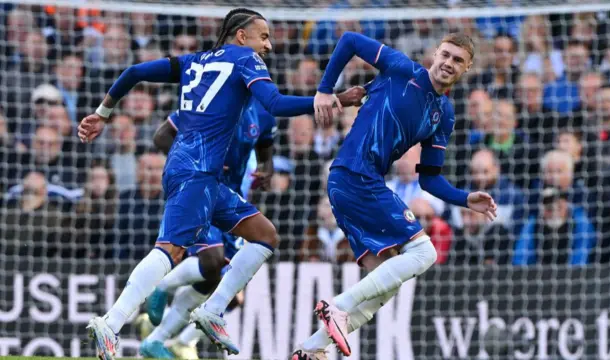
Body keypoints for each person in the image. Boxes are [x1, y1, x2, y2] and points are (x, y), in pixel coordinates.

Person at [77, 8, 362, 359]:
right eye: (263, 36)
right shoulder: (245, 59)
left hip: (199, 172)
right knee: (170, 250)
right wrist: (332, 98)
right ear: (241, 36)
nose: (269, 46)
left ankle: (212, 311)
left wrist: (103, 113)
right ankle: (111, 322)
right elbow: (275, 103)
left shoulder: (192, 60)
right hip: (196, 170)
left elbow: (134, 71)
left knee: (265, 235)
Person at [292, 31, 497, 359]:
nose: (448, 63)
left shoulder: (443, 114)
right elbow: (348, 41)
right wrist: (324, 90)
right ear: (435, 53)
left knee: (386, 280)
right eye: (445, 54)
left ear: (467, 68)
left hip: (357, 182)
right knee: (423, 253)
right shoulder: (403, 69)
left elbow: (429, 180)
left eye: (458, 60)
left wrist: (464, 199)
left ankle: (312, 348)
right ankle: (339, 307)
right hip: (354, 175)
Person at [138, 96, 276, 359]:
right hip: (201, 193)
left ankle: (158, 340)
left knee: (220, 282)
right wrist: (198, 163)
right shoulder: (207, 99)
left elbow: (265, 151)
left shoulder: (262, 111)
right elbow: (162, 137)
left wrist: (266, 169)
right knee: (212, 262)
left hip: (234, 205)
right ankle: (162, 288)